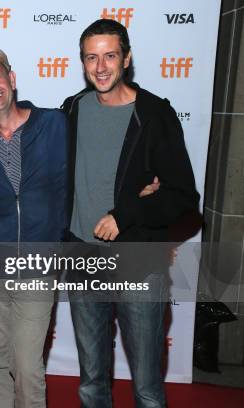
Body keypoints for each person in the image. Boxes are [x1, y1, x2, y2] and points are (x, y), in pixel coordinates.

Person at [61, 19, 200, 407]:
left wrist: (127, 214)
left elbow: (184, 196)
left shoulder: (155, 114)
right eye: (92, 57)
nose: (101, 66)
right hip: (82, 256)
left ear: (127, 58)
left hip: (137, 258)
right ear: (83, 61)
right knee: (90, 380)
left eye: (110, 55)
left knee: (146, 386)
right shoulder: (72, 109)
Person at [0, 50, 68, 407]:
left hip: (38, 265)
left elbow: (96, 166)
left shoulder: (56, 124)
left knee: (26, 365)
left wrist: (141, 187)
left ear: (12, 78)